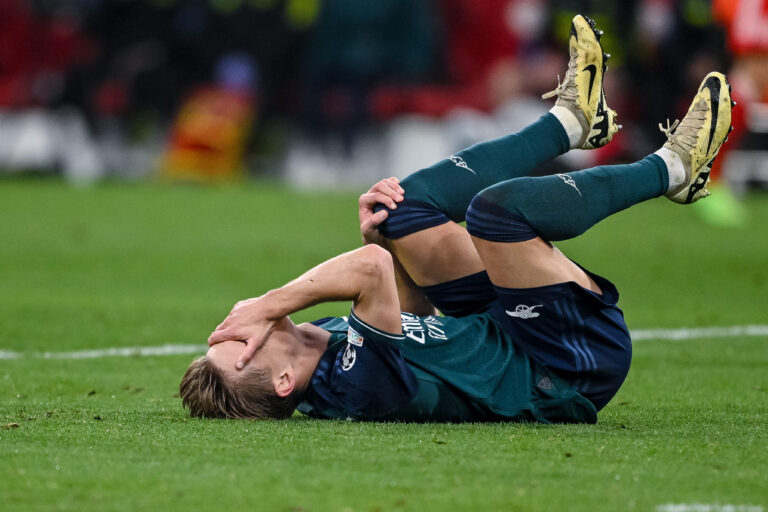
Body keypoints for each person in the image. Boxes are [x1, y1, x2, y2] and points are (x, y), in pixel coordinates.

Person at [179, 15, 733, 423]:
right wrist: (268, 301)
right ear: (281, 382)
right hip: (563, 366)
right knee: (496, 214)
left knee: (397, 210)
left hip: (498, 327)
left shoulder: (321, 338)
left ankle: (570, 123)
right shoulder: (356, 388)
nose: (245, 325)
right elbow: (368, 271)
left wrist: (390, 247)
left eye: (231, 331)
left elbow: (416, 313)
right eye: (243, 344)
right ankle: (671, 169)